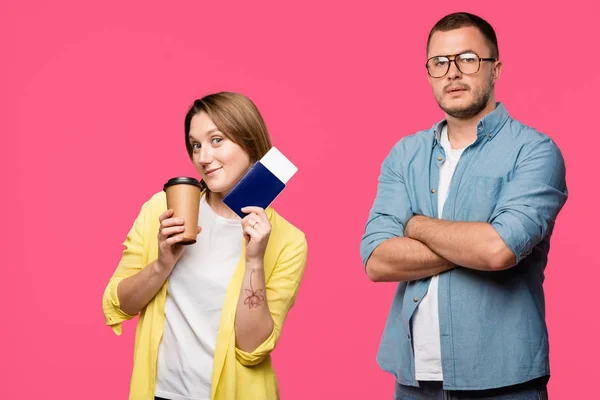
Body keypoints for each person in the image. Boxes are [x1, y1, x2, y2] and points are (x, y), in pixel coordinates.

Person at [360, 12, 567, 399]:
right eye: (439, 63)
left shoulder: (535, 152)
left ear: (496, 69)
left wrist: (416, 224)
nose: (452, 72)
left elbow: (497, 250)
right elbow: (377, 260)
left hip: (505, 381)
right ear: (428, 74)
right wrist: (477, 240)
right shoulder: (405, 154)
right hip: (414, 382)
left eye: (468, 59)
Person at [102, 92, 308, 400]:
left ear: (249, 142)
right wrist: (162, 264)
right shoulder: (163, 210)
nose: (203, 157)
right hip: (161, 393)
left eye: (216, 140)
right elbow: (119, 304)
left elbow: (252, 349)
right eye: (196, 145)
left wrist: (254, 261)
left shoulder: (288, 240)